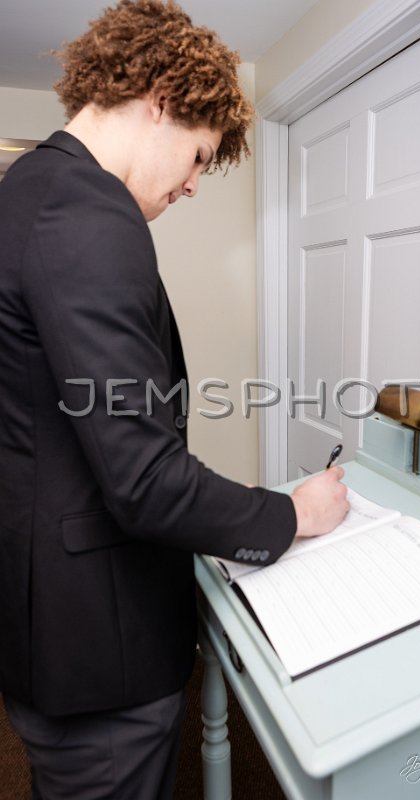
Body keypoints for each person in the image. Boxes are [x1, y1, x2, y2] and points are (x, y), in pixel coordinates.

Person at [0, 1, 348, 797]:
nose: (193, 184)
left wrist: (222, 507)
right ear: (159, 98)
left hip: (43, 619)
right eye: (198, 156)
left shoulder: (28, 188)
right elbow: (145, 480)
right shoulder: (88, 210)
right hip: (98, 644)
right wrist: (290, 514)